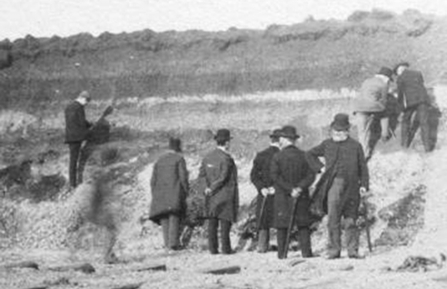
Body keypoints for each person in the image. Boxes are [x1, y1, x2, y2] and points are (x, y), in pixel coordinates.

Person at [307, 113, 369, 259]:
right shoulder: (327, 144)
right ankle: (334, 251)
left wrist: (364, 185)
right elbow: (309, 154)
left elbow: (363, 167)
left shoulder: (356, 146)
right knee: (333, 219)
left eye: (341, 131)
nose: (338, 134)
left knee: (351, 220)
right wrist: (320, 168)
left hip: (353, 187)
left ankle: (352, 251)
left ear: (347, 130)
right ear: (331, 130)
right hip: (333, 185)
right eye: (335, 131)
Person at [270, 126, 315, 259]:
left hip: (283, 196)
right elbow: (311, 175)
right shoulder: (304, 155)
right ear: (294, 140)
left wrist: (290, 189)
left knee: (282, 226)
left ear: (284, 139)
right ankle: (306, 253)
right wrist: (299, 188)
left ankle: (282, 254)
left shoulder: (277, 156)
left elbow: (275, 176)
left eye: (281, 139)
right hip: (301, 196)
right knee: (303, 225)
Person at [198, 129, 239, 255]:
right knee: (225, 223)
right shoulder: (227, 158)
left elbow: (201, 175)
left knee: (212, 222)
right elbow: (224, 176)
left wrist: (206, 188)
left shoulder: (207, 157)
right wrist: (213, 187)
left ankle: (213, 249)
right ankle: (226, 249)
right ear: (226, 143)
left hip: (210, 195)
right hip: (225, 193)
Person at [149, 137, 189, 251]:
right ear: (178, 148)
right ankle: (173, 244)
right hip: (174, 192)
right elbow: (183, 178)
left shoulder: (159, 160)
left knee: (164, 216)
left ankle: (167, 244)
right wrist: (186, 191)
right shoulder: (179, 159)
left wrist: (155, 193)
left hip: (160, 194)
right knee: (174, 216)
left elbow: (153, 181)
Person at [250, 129, 281, 253]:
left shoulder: (261, 155)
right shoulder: (283, 155)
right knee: (281, 219)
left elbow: (254, 175)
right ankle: (282, 245)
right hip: (279, 192)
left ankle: (262, 246)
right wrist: (276, 188)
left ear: (271, 140)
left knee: (263, 219)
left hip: (263, 192)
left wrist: (261, 188)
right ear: (281, 141)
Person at [354, 67, 393, 161]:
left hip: (360, 108)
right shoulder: (383, 84)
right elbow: (383, 100)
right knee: (385, 115)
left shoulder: (366, 81)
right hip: (374, 107)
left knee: (363, 132)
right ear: (386, 78)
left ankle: (364, 155)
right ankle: (385, 135)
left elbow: (361, 94)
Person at [394, 62, 432, 152]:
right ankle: (427, 147)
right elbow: (421, 86)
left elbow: (400, 94)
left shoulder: (400, 77)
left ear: (400, 70)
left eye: (397, 72)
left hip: (410, 102)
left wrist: (401, 107)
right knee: (424, 123)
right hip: (422, 100)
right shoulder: (418, 73)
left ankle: (404, 144)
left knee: (405, 121)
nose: (397, 74)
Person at [64, 91, 92, 189]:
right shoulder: (79, 107)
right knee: (76, 160)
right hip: (77, 137)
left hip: (70, 136)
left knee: (72, 160)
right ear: (83, 98)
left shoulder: (68, 106)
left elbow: (73, 121)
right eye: (87, 102)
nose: (86, 104)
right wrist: (90, 130)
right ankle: (74, 184)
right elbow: (81, 122)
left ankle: (72, 183)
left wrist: (88, 124)